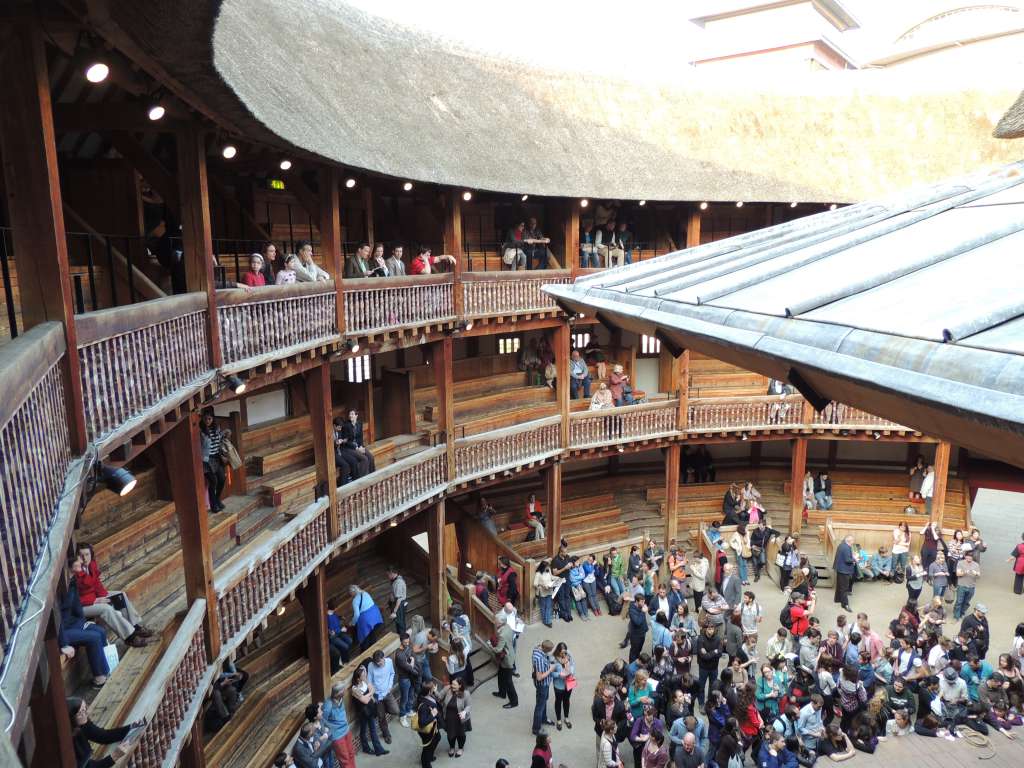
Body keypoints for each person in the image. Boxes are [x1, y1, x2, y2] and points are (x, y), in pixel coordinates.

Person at [73, 545, 152, 647]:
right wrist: (95, 601)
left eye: (87, 554)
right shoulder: (75, 571)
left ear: (91, 555)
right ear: (77, 557)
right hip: (81, 606)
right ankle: (130, 638)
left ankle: (135, 627)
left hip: (93, 598)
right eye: (81, 555)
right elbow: (74, 599)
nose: (84, 558)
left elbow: (96, 584)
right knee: (106, 609)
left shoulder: (91, 564)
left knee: (119, 595)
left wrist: (106, 597)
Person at [59, 576, 109, 688]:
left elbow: (78, 610)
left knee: (100, 631)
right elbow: (56, 621)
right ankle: (99, 679)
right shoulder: (55, 590)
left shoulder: (71, 582)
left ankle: (107, 670)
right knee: (94, 637)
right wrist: (63, 644)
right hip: (61, 632)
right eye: (78, 563)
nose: (81, 565)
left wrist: (84, 624)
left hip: (73, 624)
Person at [67, 697, 140, 768]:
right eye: (80, 713)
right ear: (71, 718)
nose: (86, 713)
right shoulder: (70, 743)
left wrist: (131, 727)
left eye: (85, 708)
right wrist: (115, 756)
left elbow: (103, 736)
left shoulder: (82, 723)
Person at [350, 664, 388, 756]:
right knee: (363, 730)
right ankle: (366, 748)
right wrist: (369, 694)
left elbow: (373, 689)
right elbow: (365, 700)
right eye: (363, 675)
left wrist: (368, 694)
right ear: (358, 679)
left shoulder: (364, 681)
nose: (365, 676)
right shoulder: (354, 689)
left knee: (372, 729)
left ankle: (378, 749)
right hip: (363, 712)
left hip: (370, 710)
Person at [368, 648, 399, 745]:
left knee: (396, 711)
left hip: (387, 692)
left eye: (380, 662)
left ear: (383, 658)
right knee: (381, 717)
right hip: (377, 695)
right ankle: (386, 734)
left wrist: (390, 686)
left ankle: (383, 708)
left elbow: (392, 674)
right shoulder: (371, 666)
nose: (378, 664)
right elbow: (369, 681)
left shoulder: (389, 662)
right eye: (376, 662)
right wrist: (372, 695)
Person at [323, 681, 357, 767]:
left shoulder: (341, 699)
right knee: (344, 759)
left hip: (346, 731)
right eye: (343, 690)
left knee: (351, 754)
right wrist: (330, 730)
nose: (345, 691)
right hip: (337, 736)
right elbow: (323, 721)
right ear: (338, 693)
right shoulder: (328, 705)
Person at [199, 407, 226, 512]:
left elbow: (219, 440)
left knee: (222, 479)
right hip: (206, 460)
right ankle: (213, 504)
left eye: (209, 419)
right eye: (205, 419)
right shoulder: (200, 431)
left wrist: (225, 433)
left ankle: (217, 499)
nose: (207, 421)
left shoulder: (216, 428)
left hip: (216, 457)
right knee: (213, 481)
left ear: (213, 419)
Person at [439, 677, 471, 758]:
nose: (452, 685)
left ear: (460, 685)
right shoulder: (448, 688)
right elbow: (439, 697)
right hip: (449, 718)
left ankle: (460, 748)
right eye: (452, 683)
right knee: (450, 734)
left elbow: (469, 706)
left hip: (461, 718)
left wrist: (464, 712)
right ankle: (452, 748)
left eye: (454, 684)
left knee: (461, 735)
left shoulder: (466, 693)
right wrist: (433, 690)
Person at [339, 409, 376, 476]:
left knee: (371, 457)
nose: (350, 416)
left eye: (352, 414)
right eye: (349, 414)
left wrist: (361, 446)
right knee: (364, 459)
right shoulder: (346, 426)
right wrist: (356, 448)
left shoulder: (359, 424)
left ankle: (373, 475)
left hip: (358, 446)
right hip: (349, 448)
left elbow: (360, 437)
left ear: (356, 415)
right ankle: (362, 478)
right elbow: (346, 441)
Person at [493, 613, 519, 708]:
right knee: (500, 675)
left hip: (507, 659)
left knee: (508, 681)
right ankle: (502, 692)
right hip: (510, 653)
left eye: (496, 621)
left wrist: (490, 646)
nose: (494, 622)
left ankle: (514, 701)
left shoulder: (502, 634)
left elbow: (498, 649)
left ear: (500, 623)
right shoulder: (508, 626)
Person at [349, 584, 385, 651]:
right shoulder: (365, 593)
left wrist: (353, 623)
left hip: (366, 619)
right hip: (375, 614)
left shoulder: (355, 600)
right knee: (372, 633)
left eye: (350, 593)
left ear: (353, 592)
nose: (351, 595)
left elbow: (357, 615)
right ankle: (374, 650)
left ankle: (365, 652)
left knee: (365, 637)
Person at [416, 680, 442, 768]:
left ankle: (429, 757)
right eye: (432, 688)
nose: (434, 688)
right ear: (428, 691)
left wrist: (434, 691)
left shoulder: (427, 696)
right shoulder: (423, 705)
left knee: (437, 738)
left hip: (433, 727)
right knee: (427, 747)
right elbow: (422, 723)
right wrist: (432, 715)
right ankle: (425, 764)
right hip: (427, 730)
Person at [532, 639, 556, 735]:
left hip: (545, 684)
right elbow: (539, 677)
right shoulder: (539, 659)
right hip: (542, 685)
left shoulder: (537, 648)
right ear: (545, 649)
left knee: (543, 701)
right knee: (540, 706)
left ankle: (544, 718)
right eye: (549, 650)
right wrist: (550, 669)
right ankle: (536, 729)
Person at [395, 631, 420, 726]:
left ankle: (409, 710)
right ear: (401, 641)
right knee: (404, 698)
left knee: (411, 695)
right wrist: (412, 662)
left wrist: (412, 662)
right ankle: (402, 716)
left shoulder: (408, 647)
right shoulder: (399, 654)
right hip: (404, 679)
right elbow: (409, 667)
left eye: (408, 642)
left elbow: (412, 656)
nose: (407, 644)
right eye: (405, 642)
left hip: (410, 676)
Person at [550, 642, 576, 731]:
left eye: (565, 652)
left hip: (569, 683)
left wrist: (570, 671)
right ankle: (558, 720)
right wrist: (559, 675)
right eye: (562, 652)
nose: (564, 654)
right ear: (558, 651)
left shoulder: (569, 654)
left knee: (566, 700)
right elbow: (550, 673)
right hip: (559, 684)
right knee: (558, 701)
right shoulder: (553, 659)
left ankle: (566, 717)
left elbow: (573, 665)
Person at [326, 598, 353, 671]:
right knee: (346, 646)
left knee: (350, 640)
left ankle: (344, 657)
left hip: (339, 633)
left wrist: (340, 617)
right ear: (335, 608)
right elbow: (332, 631)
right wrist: (341, 629)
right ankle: (345, 662)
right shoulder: (327, 617)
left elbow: (335, 619)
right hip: (333, 637)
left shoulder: (333, 614)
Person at [953, 551, 981, 620]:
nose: (969, 558)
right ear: (965, 556)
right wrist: (965, 572)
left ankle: (962, 612)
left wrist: (976, 574)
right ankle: (956, 615)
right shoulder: (960, 563)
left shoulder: (976, 565)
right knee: (959, 601)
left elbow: (979, 576)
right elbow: (958, 574)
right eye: (968, 556)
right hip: (961, 585)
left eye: (971, 557)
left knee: (966, 602)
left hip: (971, 586)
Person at [832, 535, 855, 612]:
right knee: (844, 588)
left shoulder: (842, 545)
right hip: (844, 570)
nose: (853, 542)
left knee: (840, 586)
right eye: (852, 541)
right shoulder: (846, 548)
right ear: (849, 541)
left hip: (840, 569)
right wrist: (855, 559)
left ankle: (837, 599)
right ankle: (845, 604)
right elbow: (848, 560)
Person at [628, 594, 650, 662]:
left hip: (642, 633)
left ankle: (637, 660)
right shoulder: (632, 610)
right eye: (642, 602)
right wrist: (643, 612)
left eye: (644, 601)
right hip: (635, 635)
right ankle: (632, 663)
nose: (644, 604)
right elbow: (637, 622)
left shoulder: (641, 606)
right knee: (634, 650)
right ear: (637, 602)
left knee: (639, 649)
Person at [387, 565, 408, 635]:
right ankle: (400, 636)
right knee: (398, 623)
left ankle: (403, 638)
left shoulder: (398, 583)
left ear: (392, 573)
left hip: (399, 605)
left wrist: (394, 612)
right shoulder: (394, 580)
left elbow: (399, 599)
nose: (388, 576)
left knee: (400, 623)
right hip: (396, 603)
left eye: (388, 574)